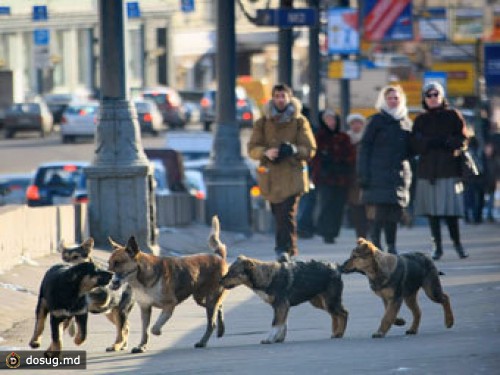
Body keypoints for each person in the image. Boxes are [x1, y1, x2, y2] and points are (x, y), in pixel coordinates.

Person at [247, 83, 316, 261]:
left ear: (289, 98)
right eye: (277, 96)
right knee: (278, 214)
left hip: (293, 176)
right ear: (272, 98)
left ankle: (282, 249)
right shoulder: (262, 122)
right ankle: (290, 249)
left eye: (283, 96)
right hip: (270, 177)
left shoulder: (300, 121)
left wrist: (293, 150)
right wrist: (266, 152)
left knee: (287, 213)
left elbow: (310, 149)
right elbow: (252, 148)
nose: (280, 100)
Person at [410, 81, 469, 260]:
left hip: (449, 169)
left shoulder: (453, 115)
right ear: (424, 98)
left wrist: (447, 142)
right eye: (429, 95)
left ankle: (458, 244)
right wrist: (427, 142)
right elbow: (414, 144)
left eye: (436, 94)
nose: (433, 98)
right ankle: (437, 247)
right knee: (432, 213)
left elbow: (463, 139)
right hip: (428, 172)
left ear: (442, 96)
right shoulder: (420, 119)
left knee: (451, 212)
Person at [357, 85, 413, 254]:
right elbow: (364, 148)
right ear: (384, 100)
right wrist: (363, 175)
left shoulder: (406, 122)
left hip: (398, 176)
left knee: (394, 215)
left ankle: (392, 247)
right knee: (378, 215)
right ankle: (376, 246)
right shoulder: (376, 121)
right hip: (377, 175)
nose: (393, 101)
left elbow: (411, 151)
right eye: (390, 98)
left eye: (396, 98)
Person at [311, 110, 355, 244]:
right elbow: (314, 157)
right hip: (325, 178)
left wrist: (343, 163)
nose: (331, 122)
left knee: (338, 205)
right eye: (328, 119)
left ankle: (334, 231)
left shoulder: (343, 137)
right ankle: (325, 232)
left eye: (333, 119)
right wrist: (322, 166)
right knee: (326, 204)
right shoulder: (318, 137)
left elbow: (351, 155)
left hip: (341, 177)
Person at [346, 113, 369, 238]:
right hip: (352, 178)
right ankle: (360, 234)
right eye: (353, 123)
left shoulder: (368, 138)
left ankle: (368, 231)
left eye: (359, 122)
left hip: (366, 176)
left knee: (368, 206)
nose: (356, 125)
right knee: (356, 207)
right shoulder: (346, 139)